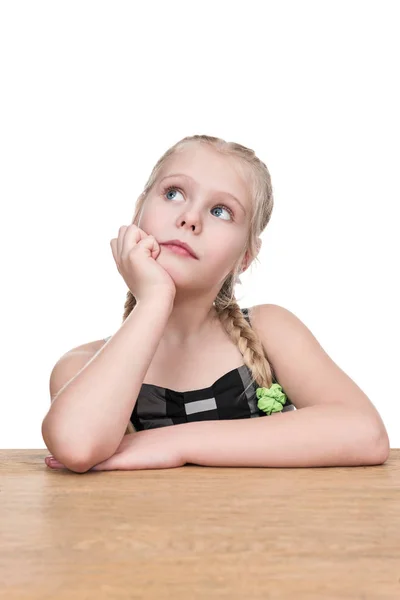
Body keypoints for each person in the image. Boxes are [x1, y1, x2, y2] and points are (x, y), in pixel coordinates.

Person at [43, 134, 389, 472]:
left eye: (221, 211)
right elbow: (77, 445)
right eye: (173, 193)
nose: (190, 218)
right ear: (138, 214)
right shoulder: (82, 367)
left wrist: (173, 444)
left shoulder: (271, 331)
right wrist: (154, 301)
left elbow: (365, 433)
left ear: (244, 258)